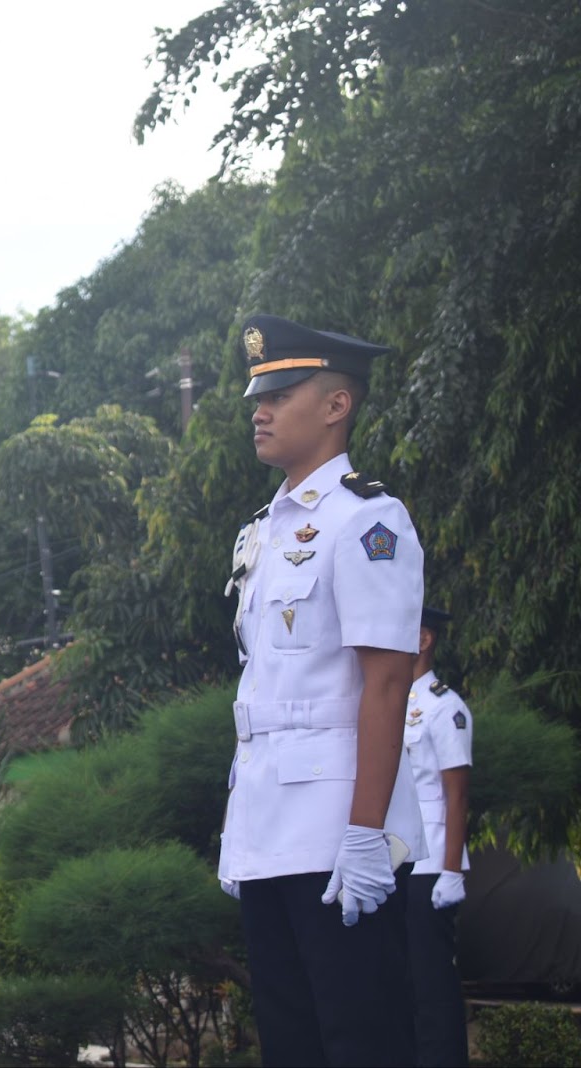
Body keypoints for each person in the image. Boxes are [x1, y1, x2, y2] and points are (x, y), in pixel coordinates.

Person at [219, 313, 427, 1066]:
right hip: (266, 821)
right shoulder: (262, 533)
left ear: (337, 406)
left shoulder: (368, 520)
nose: (259, 410)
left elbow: (385, 682)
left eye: (280, 393)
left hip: (338, 827)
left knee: (360, 1038)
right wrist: (237, 824)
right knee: (291, 1041)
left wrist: (368, 831)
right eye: (256, 396)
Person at [404, 605, 473, 1066]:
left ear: (424, 639)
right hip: (394, 860)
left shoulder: (445, 707)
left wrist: (452, 871)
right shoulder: (386, 700)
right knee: (400, 982)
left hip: (430, 865)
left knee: (432, 982)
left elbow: (457, 795)